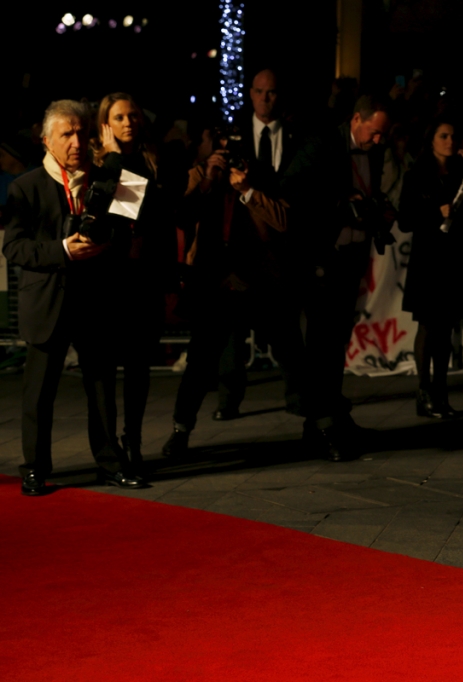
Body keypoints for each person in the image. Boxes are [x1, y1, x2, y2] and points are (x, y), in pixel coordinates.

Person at [162, 69, 308, 458]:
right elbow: (180, 215)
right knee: (201, 360)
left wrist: (247, 190)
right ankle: (181, 428)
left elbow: (284, 220)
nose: (229, 152)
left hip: (259, 273)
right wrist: (209, 179)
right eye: (221, 144)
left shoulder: (258, 176)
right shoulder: (203, 174)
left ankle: (316, 418)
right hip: (214, 277)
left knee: (290, 342)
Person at [2, 99, 146, 495]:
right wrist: (63, 249)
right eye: (66, 133)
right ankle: (34, 467)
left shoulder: (115, 178)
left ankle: (111, 463)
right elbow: (13, 248)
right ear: (46, 140)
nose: (76, 141)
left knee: (102, 390)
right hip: (47, 301)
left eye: (82, 132)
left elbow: (131, 235)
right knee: (39, 393)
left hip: (97, 300)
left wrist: (109, 241)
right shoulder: (24, 187)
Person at [298, 95, 392, 459]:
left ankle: (330, 417)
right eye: (374, 132)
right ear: (356, 119)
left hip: (353, 253)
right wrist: (339, 202)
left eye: (383, 135)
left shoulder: (373, 150)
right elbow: (293, 190)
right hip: (324, 256)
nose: (378, 140)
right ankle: (322, 423)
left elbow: (368, 192)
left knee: (337, 339)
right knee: (321, 341)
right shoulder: (321, 145)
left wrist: (378, 209)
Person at [90, 92, 179, 467]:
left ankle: (134, 440)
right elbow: (125, 208)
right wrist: (113, 160)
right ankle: (111, 445)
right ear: (105, 125)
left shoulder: (152, 160)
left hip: (145, 277)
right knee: (107, 367)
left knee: (140, 367)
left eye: (134, 116)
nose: (129, 122)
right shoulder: (97, 164)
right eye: (120, 117)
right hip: (110, 279)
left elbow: (155, 214)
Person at [398, 119, 463, 418]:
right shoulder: (417, 175)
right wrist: (435, 211)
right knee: (429, 325)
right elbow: (405, 219)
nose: (450, 141)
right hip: (429, 259)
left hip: (454, 258)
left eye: (454, 136)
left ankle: (441, 393)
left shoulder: (462, 172)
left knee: (447, 327)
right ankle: (424, 390)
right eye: (443, 136)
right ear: (431, 140)